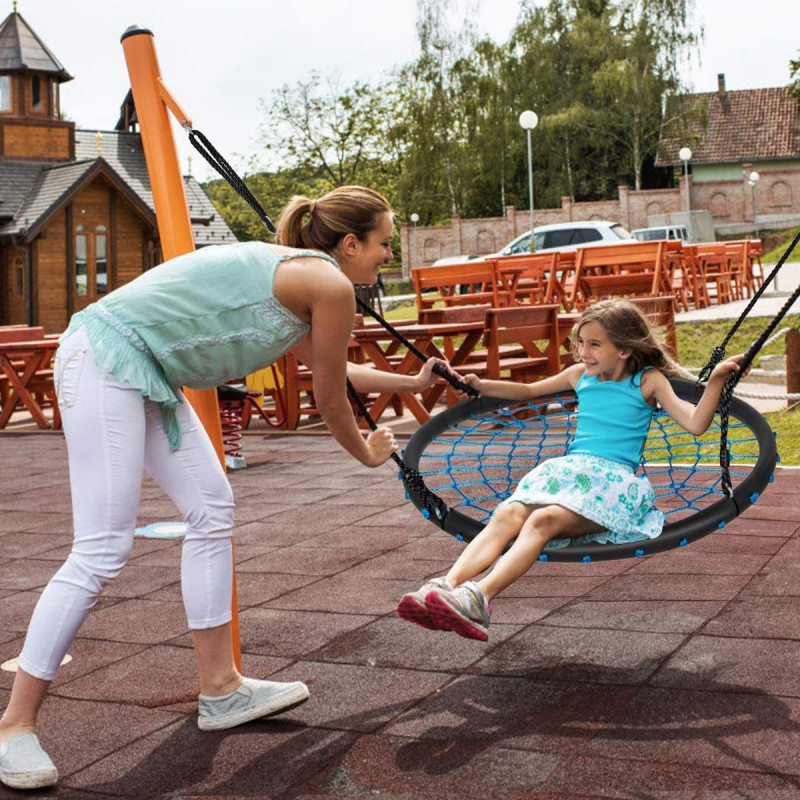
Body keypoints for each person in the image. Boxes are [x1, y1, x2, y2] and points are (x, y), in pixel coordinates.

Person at [0, 185, 448, 791]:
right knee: (103, 547)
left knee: (213, 509)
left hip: (146, 369)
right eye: (383, 244)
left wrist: (410, 382)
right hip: (106, 359)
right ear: (350, 244)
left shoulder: (304, 279)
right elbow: (330, 399)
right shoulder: (330, 285)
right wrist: (365, 454)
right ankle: (13, 725)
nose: (387, 257)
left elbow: (328, 367)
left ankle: (221, 689)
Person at [397, 298, 745, 642]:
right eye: (581, 342)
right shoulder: (580, 376)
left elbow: (696, 423)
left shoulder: (647, 381)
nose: (583, 352)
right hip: (571, 476)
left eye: (594, 344)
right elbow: (529, 391)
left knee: (540, 521)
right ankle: (447, 585)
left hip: (612, 488)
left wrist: (714, 381)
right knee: (509, 512)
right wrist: (481, 385)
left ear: (624, 350)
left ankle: (479, 598)